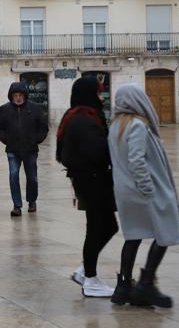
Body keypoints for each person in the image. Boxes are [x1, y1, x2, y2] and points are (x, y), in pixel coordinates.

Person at [108, 83, 179, 308]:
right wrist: (147, 188)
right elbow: (136, 160)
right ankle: (145, 283)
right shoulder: (137, 125)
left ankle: (123, 286)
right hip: (143, 190)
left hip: (124, 191)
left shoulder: (115, 126)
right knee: (167, 228)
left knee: (133, 236)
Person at [56, 77, 118, 297]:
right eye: (99, 93)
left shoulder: (78, 115)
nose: (102, 97)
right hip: (91, 180)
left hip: (89, 179)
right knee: (96, 228)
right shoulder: (83, 119)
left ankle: (84, 271)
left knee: (108, 226)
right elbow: (99, 152)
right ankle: (90, 279)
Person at [0, 82, 48, 217]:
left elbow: (43, 127)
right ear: (11, 96)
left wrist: (36, 139)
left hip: (30, 149)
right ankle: (17, 205)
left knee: (32, 177)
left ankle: (32, 201)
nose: (18, 98)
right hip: (12, 149)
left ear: (24, 96)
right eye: (15, 95)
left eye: (20, 95)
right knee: (13, 176)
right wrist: (6, 139)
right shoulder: (4, 109)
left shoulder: (35, 109)